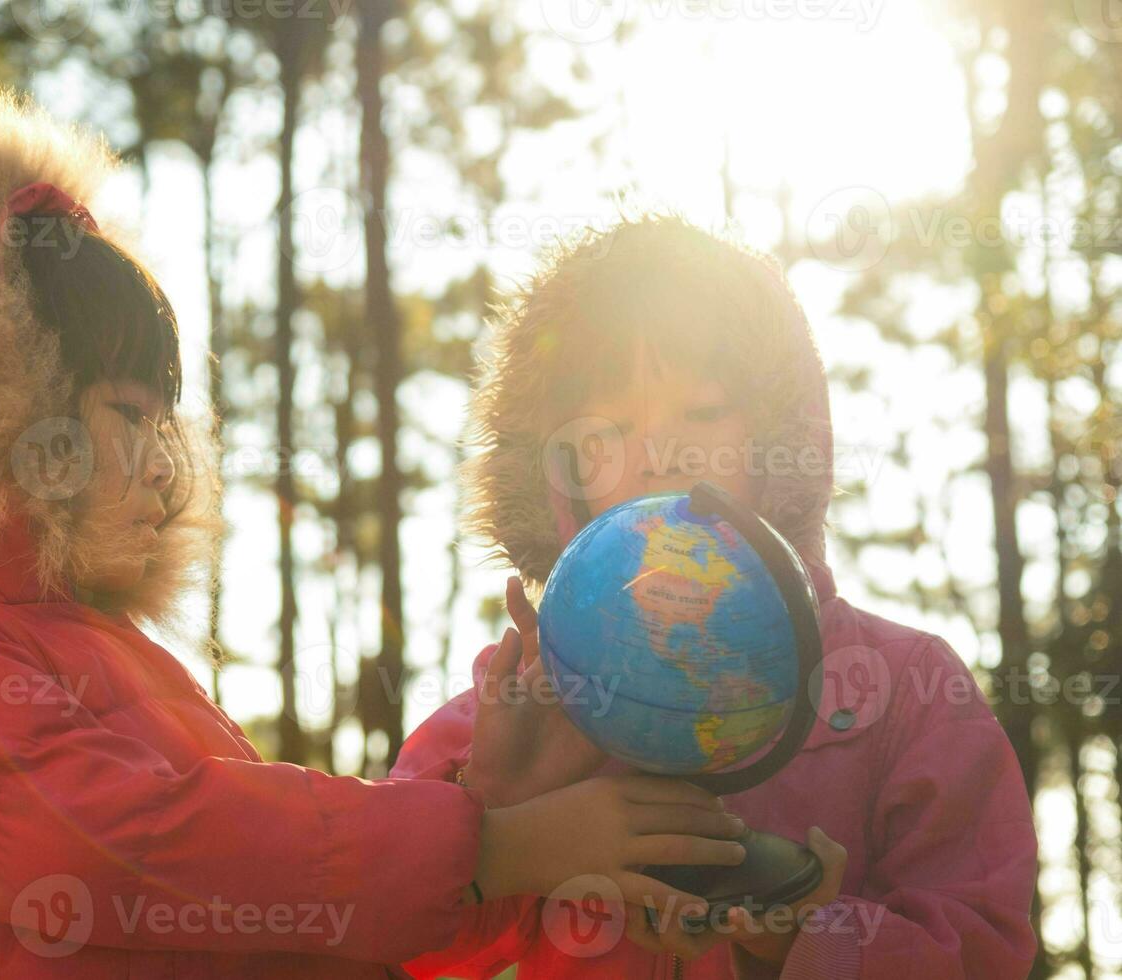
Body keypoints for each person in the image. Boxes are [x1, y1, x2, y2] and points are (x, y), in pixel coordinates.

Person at [0, 89, 750, 978]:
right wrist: (491, 845)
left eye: (168, 420)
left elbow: (316, 909)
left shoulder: (126, 671)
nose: (164, 462)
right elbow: (112, 846)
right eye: (123, 413)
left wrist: (503, 814)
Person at [392, 214, 1040, 978]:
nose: (659, 455)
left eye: (701, 413)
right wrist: (497, 812)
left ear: (776, 441)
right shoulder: (508, 711)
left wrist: (807, 939)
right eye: (609, 431)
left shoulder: (908, 691)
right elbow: (403, 943)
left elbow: (983, 946)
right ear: (560, 470)